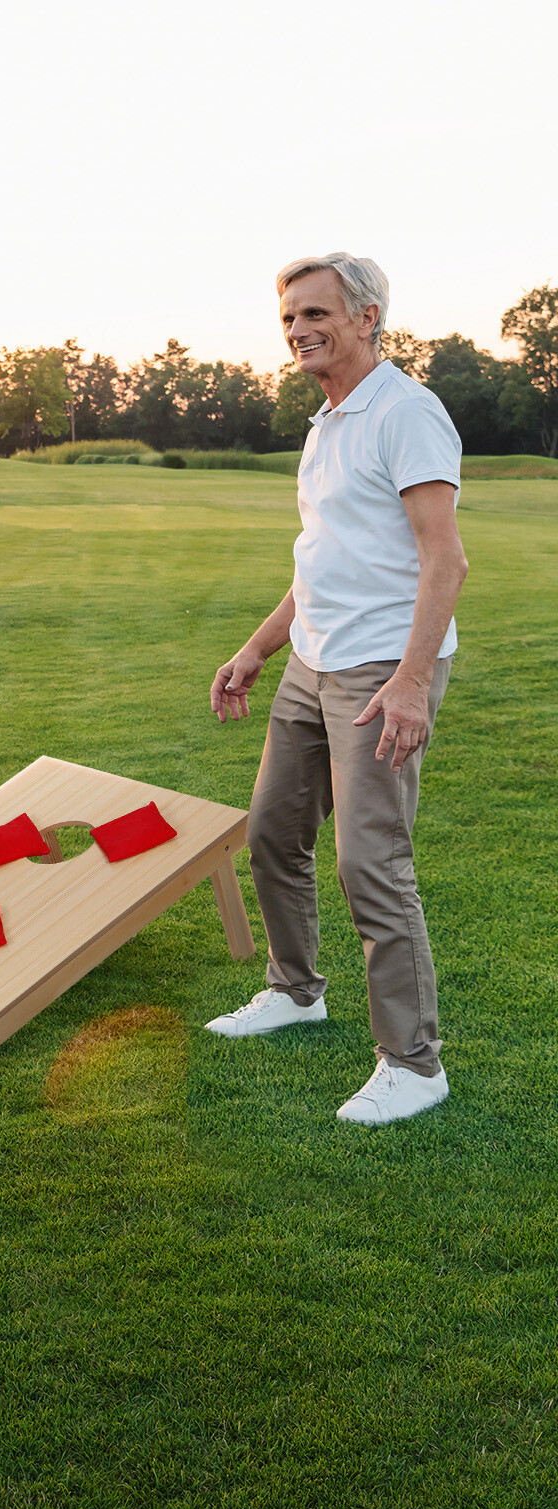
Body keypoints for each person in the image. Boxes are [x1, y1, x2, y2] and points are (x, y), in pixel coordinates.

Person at [206, 252, 468, 1127]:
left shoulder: (407, 413)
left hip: (379, 673)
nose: (297, 331)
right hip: (312, 664)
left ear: (367, 317)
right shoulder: (326, 425)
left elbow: (445, 560)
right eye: (288, 319)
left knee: (370, 861)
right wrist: (256, 650)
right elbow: (320, 562)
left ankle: (414, 1062)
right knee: (274, 834)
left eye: (315, 314)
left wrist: (410, 679)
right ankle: (295, 991)